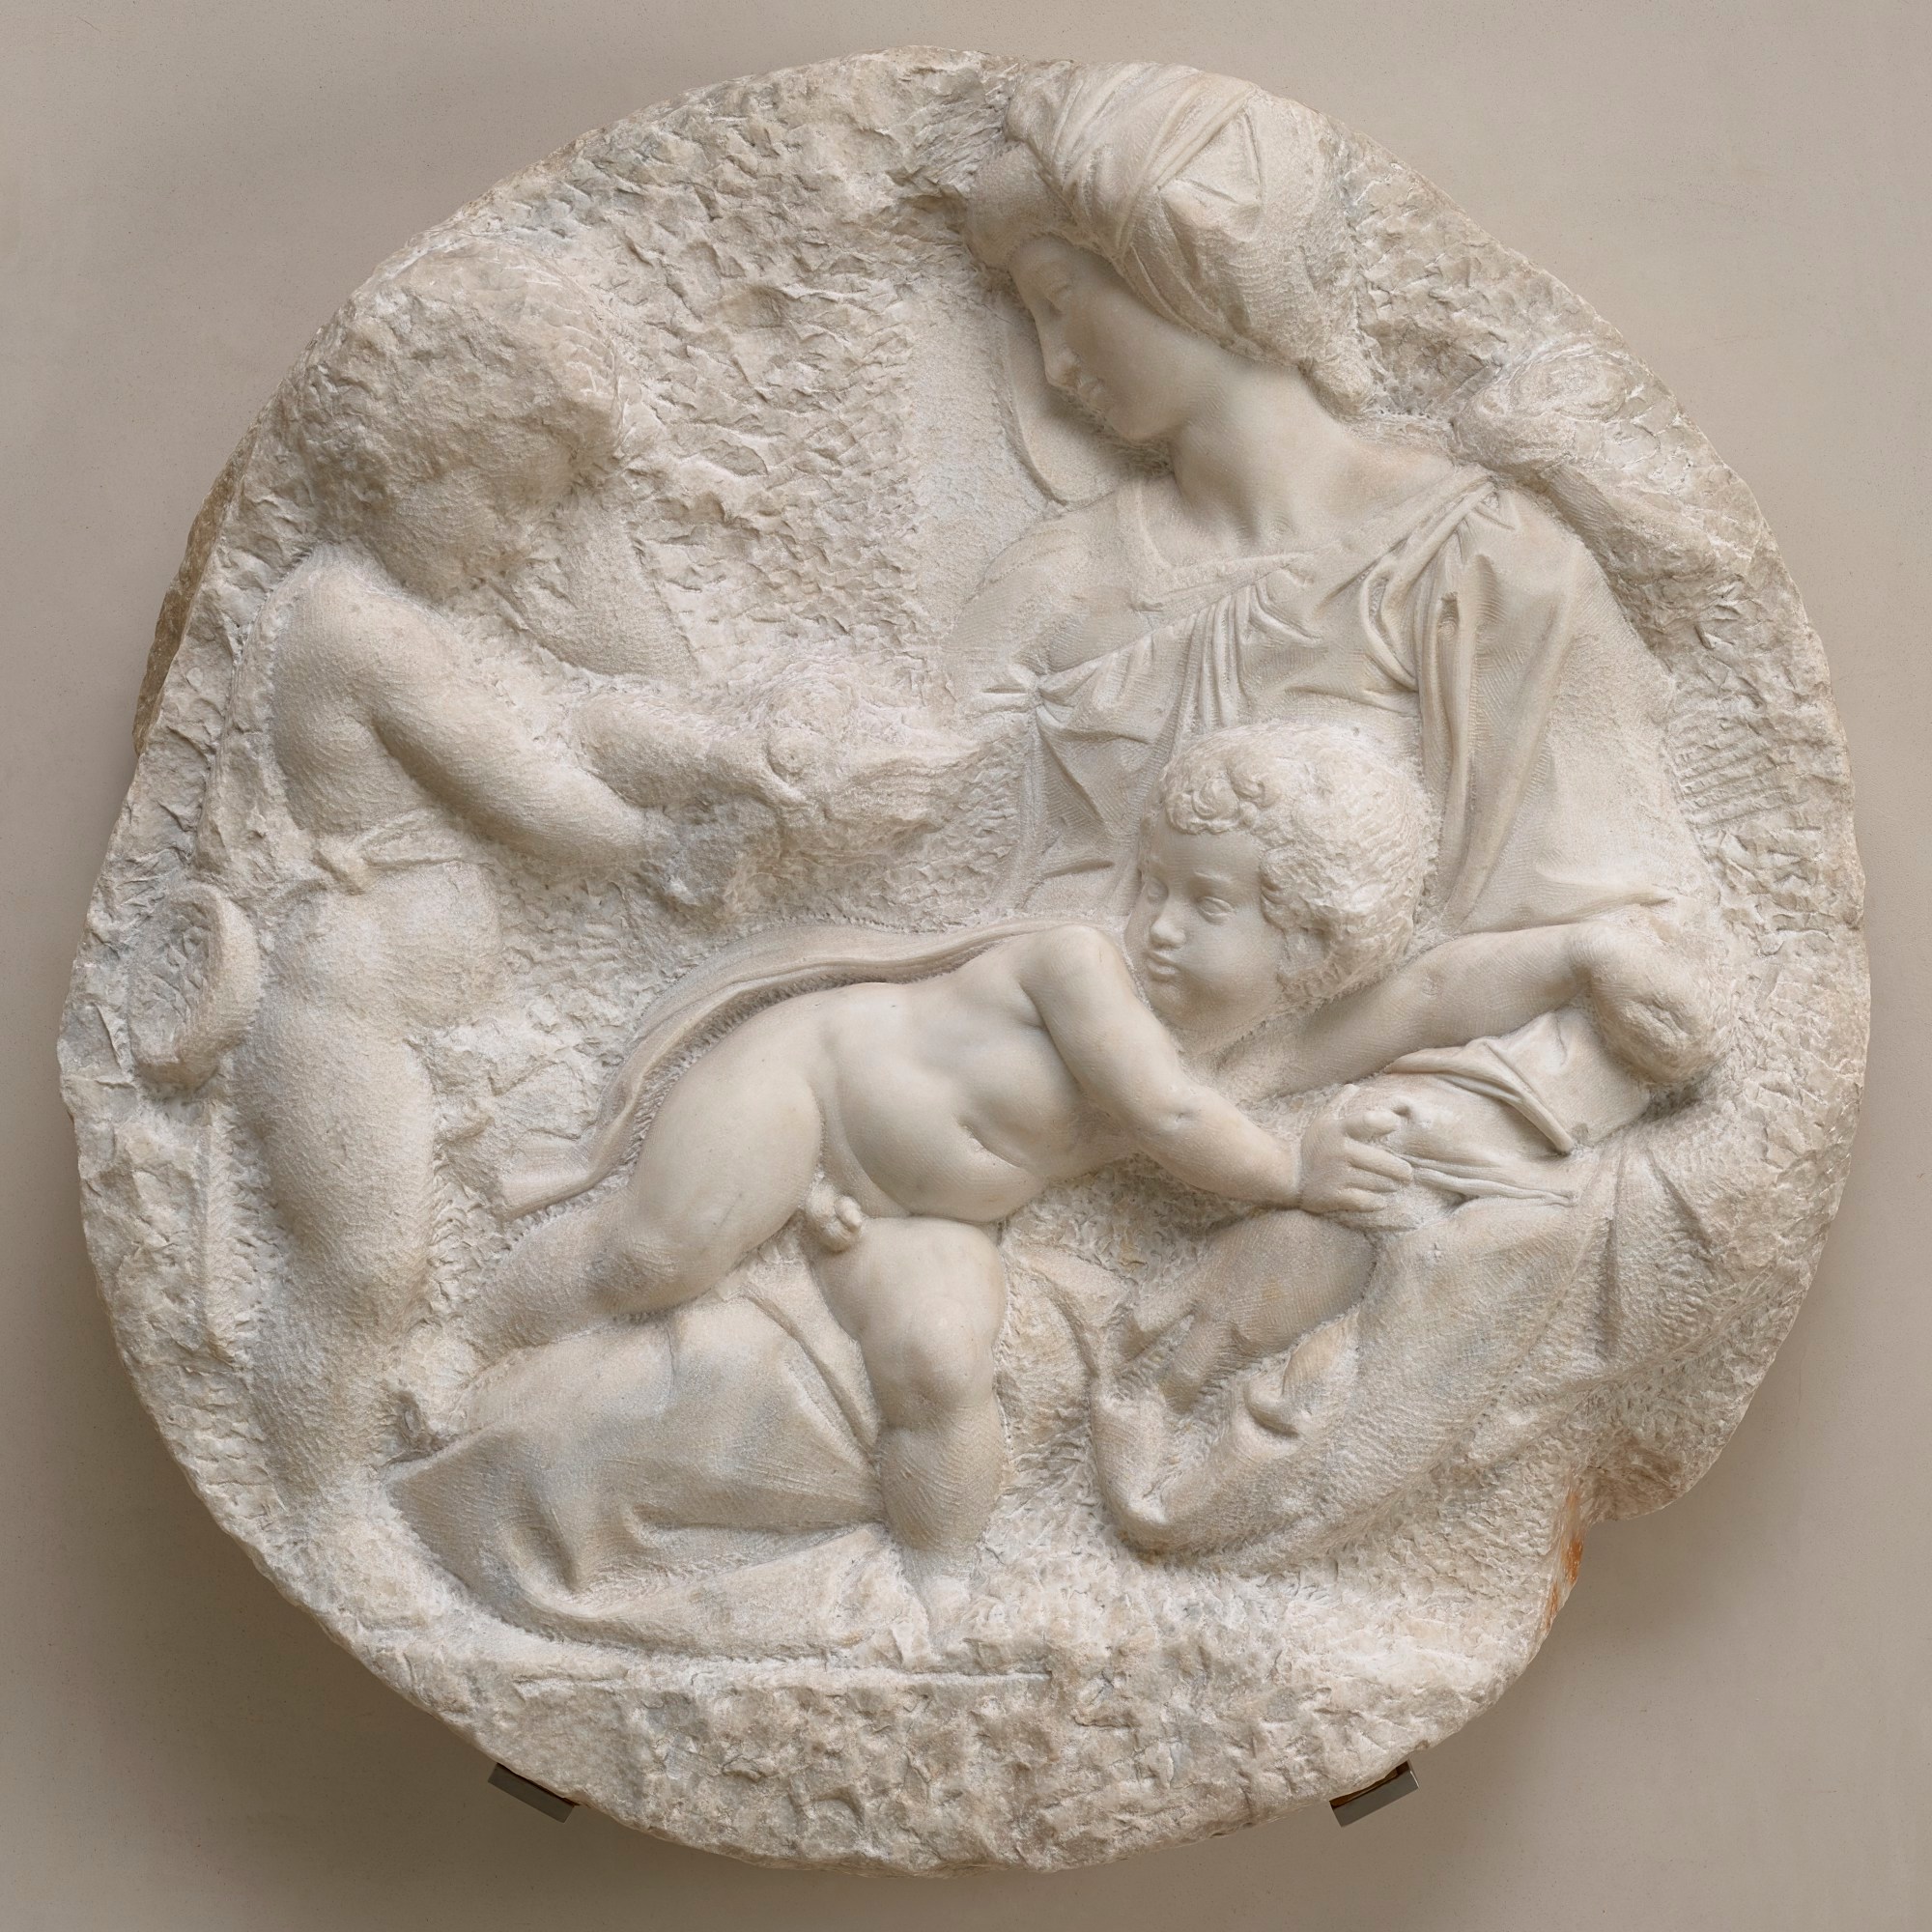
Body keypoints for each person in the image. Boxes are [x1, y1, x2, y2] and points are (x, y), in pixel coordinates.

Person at [425, 721, 1707, 1584]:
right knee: (654, 1255)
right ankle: (461, 1345)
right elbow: (1167, 1119)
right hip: (808, 1094)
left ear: (1310, 946)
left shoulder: (1247, 1059)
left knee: (941, 1370)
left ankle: (933, 1584)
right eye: (1156, 883)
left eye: (1207, 903)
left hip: (932, 1214)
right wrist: (1292, 1173)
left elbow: (1425, 996)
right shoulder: (1080, 968)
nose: (1157, 923)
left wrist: (1578, 955)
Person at [206, 241, 796, 1513]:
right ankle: (317, 1503)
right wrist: (658, 851)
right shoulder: (356, 623)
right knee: (365, 1266)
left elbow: (592, 711)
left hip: (432, 1023)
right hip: (344, 1006)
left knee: (447, 1262)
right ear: (413, 458)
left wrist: (714, 754)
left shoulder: (424, 616)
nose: (524, 538)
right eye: (504, 500)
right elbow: (527, 791)